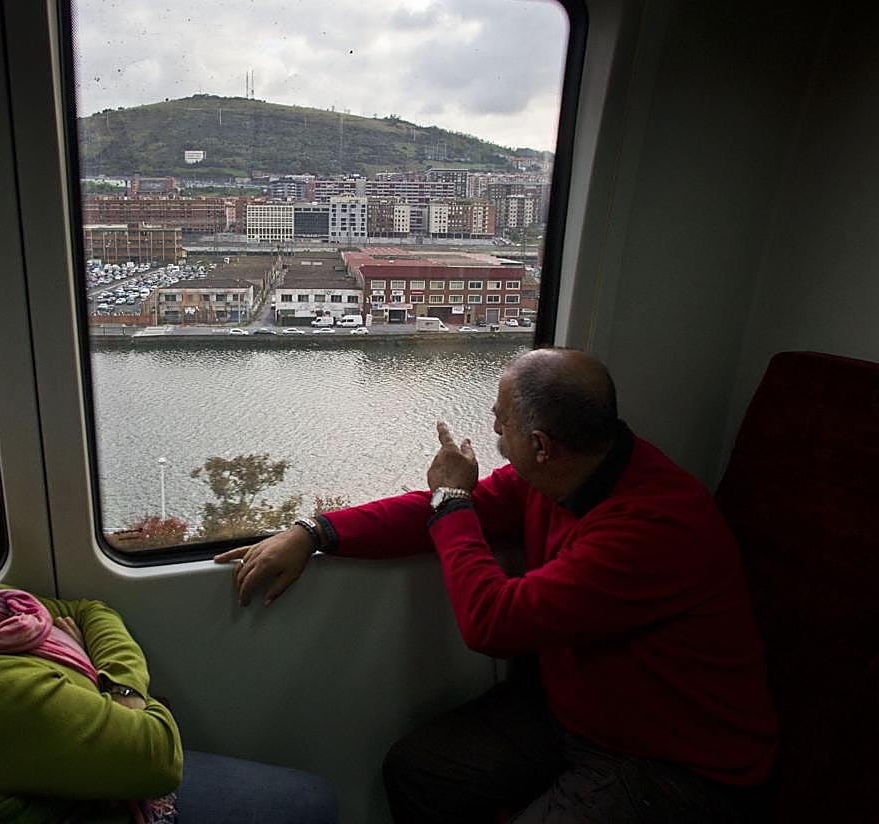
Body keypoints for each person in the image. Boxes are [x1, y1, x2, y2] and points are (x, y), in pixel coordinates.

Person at [215, 348, 777, 823]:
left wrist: (453, 499)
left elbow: (493, 621)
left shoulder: (651, 526)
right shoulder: (560, 473)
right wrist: (313, 532)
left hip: (672, 759)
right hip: (576, 712)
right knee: (417, 771)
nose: (490, 427)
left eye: (501, 419)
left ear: (541, 444)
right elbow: (435, 512)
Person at [0, 449, 336, 824]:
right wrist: (112, 689)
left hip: (87, 774)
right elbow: (160, 754)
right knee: (315, 802)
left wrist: (97, 692)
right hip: (103, 804)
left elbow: (89, 609)